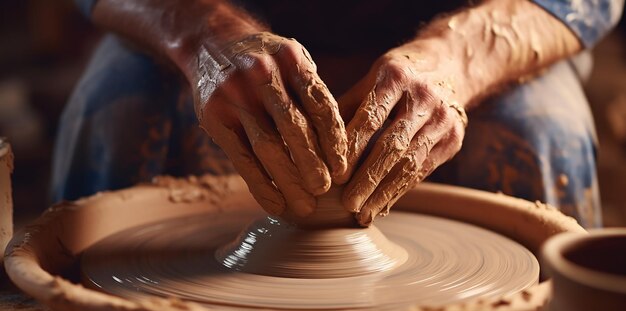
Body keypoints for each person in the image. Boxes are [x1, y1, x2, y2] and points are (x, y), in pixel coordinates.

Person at [53, 0, 624, 228]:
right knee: (115, 114)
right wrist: (201, 37)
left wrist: (460, 57)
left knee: (539, 133)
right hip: (211, 19)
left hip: (475, 23)